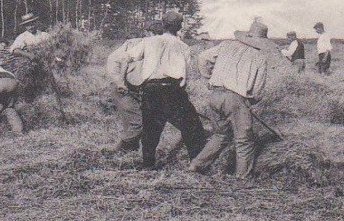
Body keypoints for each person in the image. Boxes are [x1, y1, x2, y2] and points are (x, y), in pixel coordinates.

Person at [190, 19, 282, 178]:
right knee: (244, 140)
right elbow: (258, 87)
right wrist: (250, 102)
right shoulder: (259, 56)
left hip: (215, 96)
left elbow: (202, 58)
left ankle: (196, 165)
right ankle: (242, 177)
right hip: (236, 99)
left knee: (221, 134)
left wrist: (208, 77)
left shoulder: (226, 45)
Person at [120, 10, 206, 169]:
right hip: (173, 89)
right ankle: (197, 164)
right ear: (179, 27)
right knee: (192, 128)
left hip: (150, 89)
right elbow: (185, 75)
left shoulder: (148, 41)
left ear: (163, 24)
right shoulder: (183, 46)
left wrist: (124, 81)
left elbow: (126, 58)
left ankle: (147, 165)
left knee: (150, 129)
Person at [106, 25, 154, 153]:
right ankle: (117, 148)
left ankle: (129, 150)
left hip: (135, 90)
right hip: (122, 90)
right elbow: (115, 65)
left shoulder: (151, 48)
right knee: (138, 124)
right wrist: (120, 83)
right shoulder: (132, 46)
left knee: (131, 122)